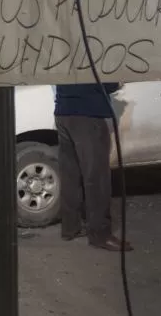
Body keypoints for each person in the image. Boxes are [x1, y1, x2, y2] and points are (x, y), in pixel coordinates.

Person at [55, 83, 132, 252]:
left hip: (63, 111)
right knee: (96, 177)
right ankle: (100, 234)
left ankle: (70, 227)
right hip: (88, 114)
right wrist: (117, 83)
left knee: (70, 175)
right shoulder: (91, 55)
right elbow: (104, 80)